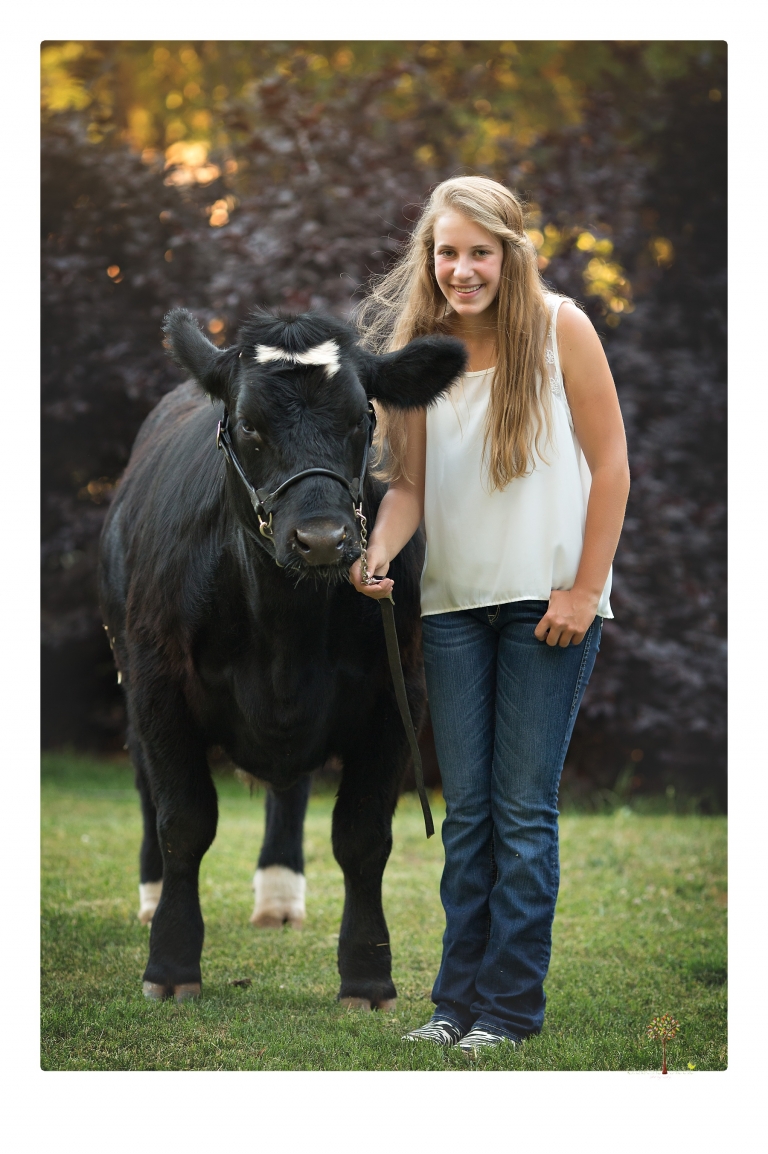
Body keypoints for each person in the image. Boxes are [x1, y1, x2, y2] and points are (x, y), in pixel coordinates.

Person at [350, 175, 630, 1052]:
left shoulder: (561, 328)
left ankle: (508, 1012)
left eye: (480, 252)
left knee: (519, 813)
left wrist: (585, 590)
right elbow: (412, 486)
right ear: (428, 260)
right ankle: (451, 1007)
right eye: (448, 253)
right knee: (467, 816)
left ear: (511, 253)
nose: (463, 269)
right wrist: (380, 551)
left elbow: (613, 464)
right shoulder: (419, 352)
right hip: (456, 612)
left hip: (549, 607)